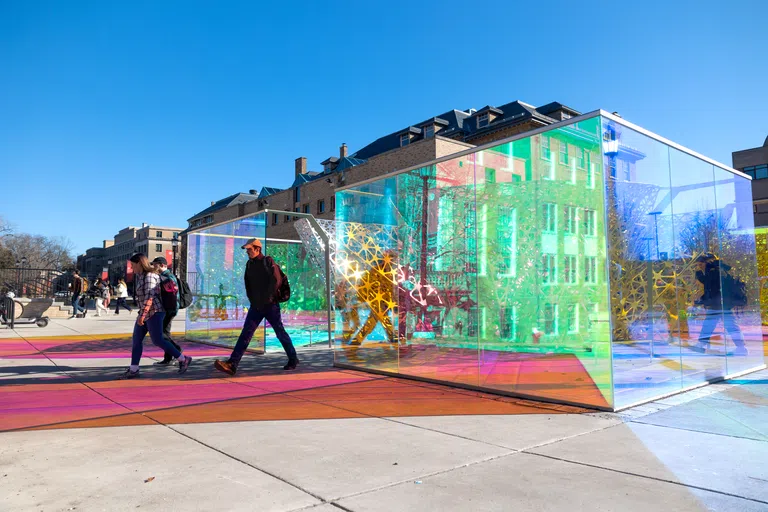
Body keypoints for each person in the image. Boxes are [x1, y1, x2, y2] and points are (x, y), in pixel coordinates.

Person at [214, 238, 298, 375]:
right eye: (246, 249)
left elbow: (276, 281)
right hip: (256, 306)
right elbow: (248, 283)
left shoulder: (268, 261)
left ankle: (293, 359)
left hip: (271, 306)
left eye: (249, 249)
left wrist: (268, 298)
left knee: (280, 333)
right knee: (246, 333)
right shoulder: (249, 264)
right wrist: (252, 299)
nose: (247, 252)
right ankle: (232, 364)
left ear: (257, 249)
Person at [121, 253, 192, 379]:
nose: (132, 268)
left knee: (158, 340)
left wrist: (142, 316)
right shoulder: (141, 276)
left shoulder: (150, 276)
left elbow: (150, 297)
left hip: (155, 312)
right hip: (144, 312)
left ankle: (183, 358)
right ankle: (134, 369)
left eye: (133, 265)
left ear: (139, 263)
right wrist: (141, 314)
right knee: (136, 340)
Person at [692, 253, 748, 356]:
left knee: (712, 324)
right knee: (726, 325)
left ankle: (701, 345)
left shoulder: (715, 272)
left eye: (701, 265)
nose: (700, 267)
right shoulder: (720, 270)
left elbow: (710, 287)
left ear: (708, 262)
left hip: (719, 304)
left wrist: (700, 276)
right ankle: (741, 348)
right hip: (722, 303)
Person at [152, 256, 182, 365]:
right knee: (165, 332)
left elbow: (172, 294)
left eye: (155, 265)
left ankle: (176, 350)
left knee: (162, 333)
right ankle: (169, 357)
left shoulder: (167, 277)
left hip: (169, 309)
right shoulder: (165, 276)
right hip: (169, 308)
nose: (153, 267)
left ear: (162, 265)